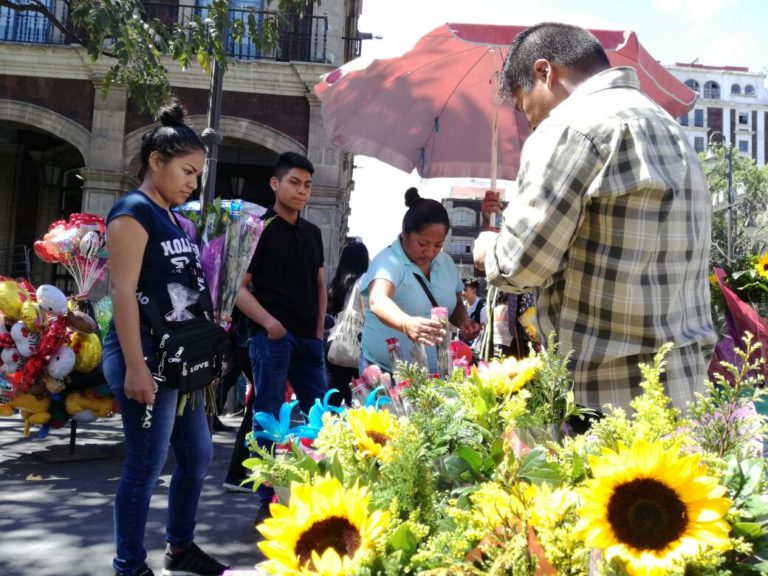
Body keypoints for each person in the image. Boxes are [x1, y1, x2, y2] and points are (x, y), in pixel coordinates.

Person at [473, 22, 716, 413]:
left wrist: (488, 248)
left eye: (524, 106)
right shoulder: (670, 128)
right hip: (683, 392)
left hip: (603, 403)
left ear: (544, 72)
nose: (529, 121)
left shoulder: (570, 127)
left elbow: (519, 267)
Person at [102, 101, 229, 576]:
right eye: (188, 171)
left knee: (197, 456)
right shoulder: (132, 213)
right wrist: (136, 366)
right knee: (145, 467)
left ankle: (180, 547)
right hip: (148, 358)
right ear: (156, 162)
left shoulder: (175, 219)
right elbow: (122, 291)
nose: (194, 183)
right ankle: (129, 565)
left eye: (199, 174)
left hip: (182, 359)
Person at [235, 151, 328, 528]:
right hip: (271, 339)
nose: (302, 191)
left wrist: (320, 332)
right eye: (294, 182)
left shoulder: (313, 232)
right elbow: (237, 289)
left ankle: (324, 486)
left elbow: (321, 286)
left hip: (308, 341)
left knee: (325, 416)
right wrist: (270, 323)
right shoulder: (258, 228)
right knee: (268, 418)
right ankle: (265, 498)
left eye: (307, 185)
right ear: (275, 183)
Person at [361, 187, 481, 375]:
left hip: (435, 373)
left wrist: (464, 321)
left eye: (438, 245)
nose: (430, 252)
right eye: (422, 244)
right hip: (387, 372)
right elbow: (378, 301)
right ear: (404, 233)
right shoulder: (389, 260)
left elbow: (456, 303)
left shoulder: (446, 262)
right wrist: (406, 323)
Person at [326, 240, 370, 406]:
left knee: (330, 405)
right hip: (357, 345)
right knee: (363, 403)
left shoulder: (336, 284)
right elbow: (368, 314)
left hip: (335, 345)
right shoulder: (364, 280)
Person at [461, 278, 487, 343]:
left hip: (474, 347)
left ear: (474, 291)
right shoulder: (461, 306)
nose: (462, 293)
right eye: (461, 290)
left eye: (465, 290)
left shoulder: (483, 308)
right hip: (461, 343)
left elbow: (482, 331)